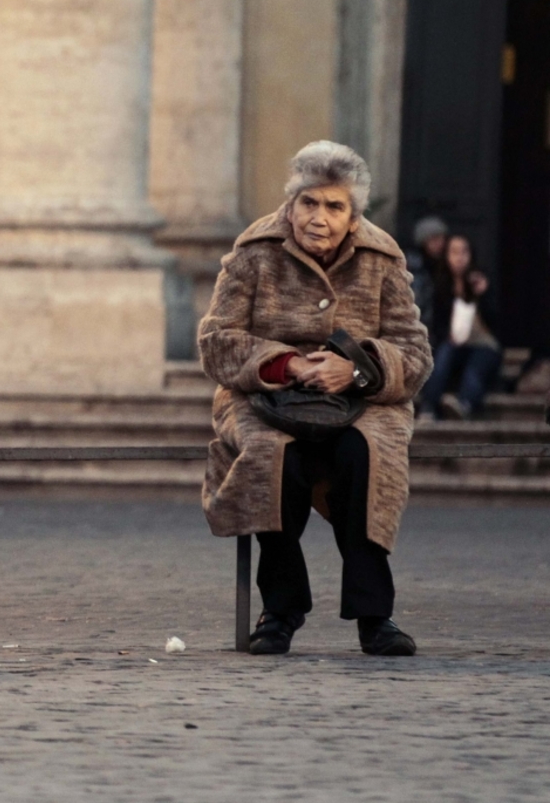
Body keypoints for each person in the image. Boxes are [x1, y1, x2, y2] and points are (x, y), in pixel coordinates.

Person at [198, 141, 432, 657]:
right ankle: (280, 610)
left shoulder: (382, 258)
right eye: (309, 203)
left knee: (365, 455)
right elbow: (215, 341)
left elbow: (415, 353)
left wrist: (356, 370)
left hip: (365, 400)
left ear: (353, 218)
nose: (318, 217)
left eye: (334, 206)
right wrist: (289, 364)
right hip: (263, 396)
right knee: (271, 458)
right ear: (291, 204)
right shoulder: (254, 251)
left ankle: (376, 617)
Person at [419, 234, 501, 421]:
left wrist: (483, 295)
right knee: (442, 357)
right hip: (453, 343)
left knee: (476, 368)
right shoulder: (441, 286)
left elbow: (495, 322)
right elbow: (438, 324)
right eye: (454, 252)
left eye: (464, 252)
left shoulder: (481, 281)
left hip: (482, 342)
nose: (459, 257)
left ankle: (464, 404)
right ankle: (429, 407)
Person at [406, 215, 447, 334]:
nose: (440, 243)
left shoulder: (444, 264)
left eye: (442, 238)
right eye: (434, 239)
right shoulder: (413, 266)